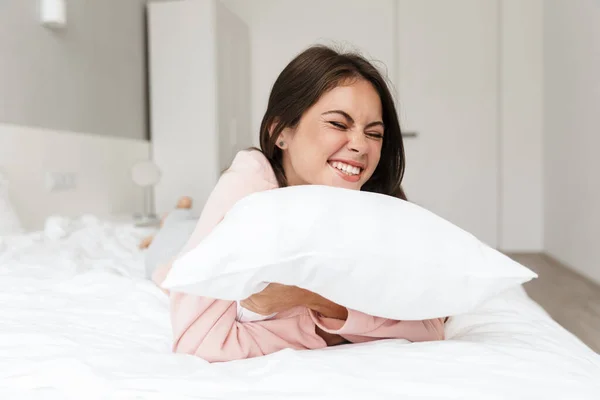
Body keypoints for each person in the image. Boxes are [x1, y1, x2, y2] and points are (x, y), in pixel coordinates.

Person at [152, 45, 446, 363]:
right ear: (280, 133)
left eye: (373, 133)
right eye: (338, 124)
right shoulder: (251, 183)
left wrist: (313, 302)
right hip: (172, 262)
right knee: (167, 242)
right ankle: (174, 218)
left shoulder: (375, 200)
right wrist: (347, 329)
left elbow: (431, 326)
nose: (361, 146)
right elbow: (199, 343)